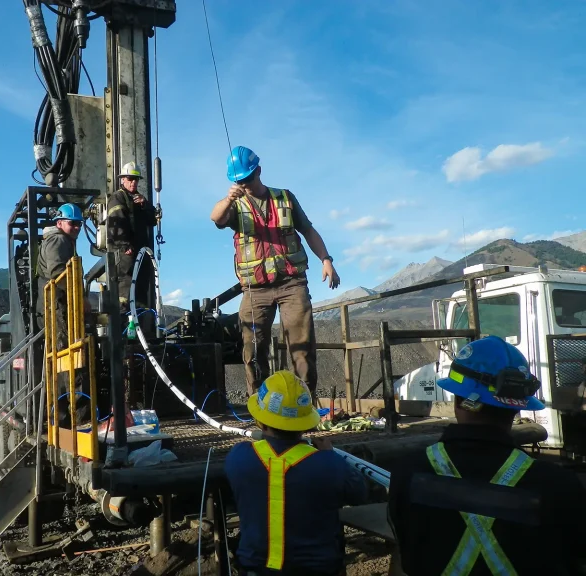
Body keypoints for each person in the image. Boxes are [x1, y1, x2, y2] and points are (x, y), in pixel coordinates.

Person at [387, 336, 586, 576]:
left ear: (458, 400)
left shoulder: (408, 472)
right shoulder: (558, 485)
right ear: (517, 406)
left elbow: (405, 552)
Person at [210, 146, 340, 400]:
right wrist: (228, 198)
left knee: (302, 347)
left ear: (258, 171)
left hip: (292, 284)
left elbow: (308, 230)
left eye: (247, 178)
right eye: (239, 181)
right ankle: (260, 406)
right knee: (253, 349)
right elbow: (216, 217)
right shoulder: (234, 205)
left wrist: (326, 260)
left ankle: (303, 404)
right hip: (255, 289)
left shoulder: (285, 198)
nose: (244, 185)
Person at [224, 370, 368, 576]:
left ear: (260, 419)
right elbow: (360, 493)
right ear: (305, 421)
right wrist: (329, 454)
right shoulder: (329, 464)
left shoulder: (239, 457)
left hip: (255, 570)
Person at [35, 203, 90, 424]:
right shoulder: (57, 240)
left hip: (58, 307)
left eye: (79, 224)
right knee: (68, 358)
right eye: (72, 223)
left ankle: (63, 415)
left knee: (62, 359)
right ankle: (71, 417)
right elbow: (58, 271)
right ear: (59, 223)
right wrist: (80, 298)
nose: (76, 227)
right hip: (58, 308)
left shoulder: (64, 241)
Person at [107, 161, 158, 312]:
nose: (133, 182)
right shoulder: (118, 198)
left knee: (140, 291)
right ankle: (123, 320)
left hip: (141, 253)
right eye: (130, 179)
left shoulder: (139, 200)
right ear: (123, 179)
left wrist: (145, 205)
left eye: (136, 179)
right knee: (125, 288)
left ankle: (139, 320)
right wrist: (124, 245)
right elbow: (116, 222)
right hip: (126, 254)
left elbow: (152, 220)